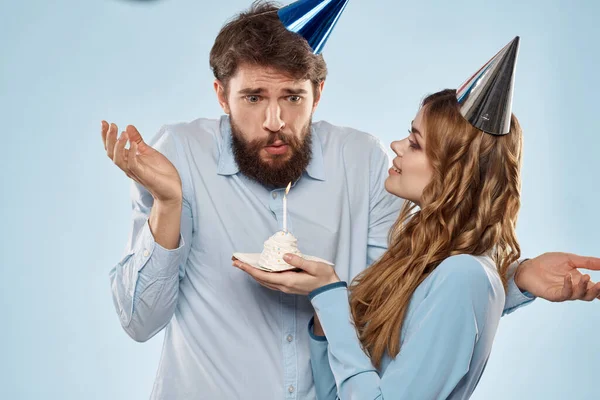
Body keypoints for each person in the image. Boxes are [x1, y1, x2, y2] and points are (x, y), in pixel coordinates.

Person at [102, 1, 600, 399]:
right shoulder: (177, 157)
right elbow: (139, 321)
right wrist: (167, 206)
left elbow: (397, 309)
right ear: (220, 94)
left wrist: (509, 280)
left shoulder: (364, 163)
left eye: (292, 97)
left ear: (317, 94)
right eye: (253, 98)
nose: (274, 120)